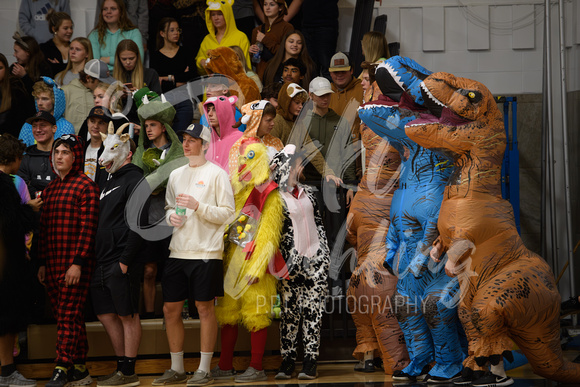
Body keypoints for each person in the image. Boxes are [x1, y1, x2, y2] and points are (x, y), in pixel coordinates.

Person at [154, 123, 235, 387]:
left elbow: (228, 214)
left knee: (204, 308)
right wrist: (171, 217)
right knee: (170, 309)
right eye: (184, 139)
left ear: (204, 144)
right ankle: (177, 368)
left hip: (206, 251)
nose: (186, 144)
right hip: (178, 250)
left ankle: (203, 369)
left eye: (192, 140)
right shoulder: (176, 174)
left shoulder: (217, 174)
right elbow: (168, 207)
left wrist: (199, 207)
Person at [345, 65, 409, 374]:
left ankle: (372, 353)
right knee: (380, 290)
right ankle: (393, 359)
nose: (362, 84)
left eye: (366, 81)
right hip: (380, 211)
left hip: (367, 211)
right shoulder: (397, 121)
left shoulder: (372, 118)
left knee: (362, 289)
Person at [38, 133, 99, 387]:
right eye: (56, 152)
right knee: (68, 318)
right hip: (51, 263)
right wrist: (41, 263)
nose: (59, 156)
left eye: (65, 152)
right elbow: (43, 229)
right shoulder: (50, 189)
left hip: (75, 265)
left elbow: (89, 229)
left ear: (76, 157)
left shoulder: (86, 185)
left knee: (67, 314)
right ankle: (81, 369)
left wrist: (78, 262)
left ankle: (62, 367)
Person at [270, 145, 330, 380]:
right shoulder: (274, 198)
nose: (301, 167)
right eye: (297, 163)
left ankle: (310, 361)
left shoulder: (310, 192)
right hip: (289, 266)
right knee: (289, 313)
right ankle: (287, 361)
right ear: (288, 167)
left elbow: (319, 223)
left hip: (316, 261)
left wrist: (323, 253)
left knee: (313, 312)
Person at [90, 127, 144, 387]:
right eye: (102, 151)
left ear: (128, 153)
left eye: (111, 151)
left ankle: (129, 371)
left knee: (127, 315)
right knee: (105, 314)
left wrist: (125, 261)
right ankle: (120, 366)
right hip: (101, 259)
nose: (102, 159)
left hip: (122, 260)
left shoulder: (136, 180)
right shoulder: (106, 179)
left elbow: (138, 224)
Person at [132, 98, 186, 321]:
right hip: (149, 220)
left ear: (164, 126)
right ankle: (148, 316)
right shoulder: (141, 153)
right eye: (145, 126)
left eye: (152, 125)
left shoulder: (178, 152)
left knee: (174, 269)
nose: (148, 130)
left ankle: (176, 312)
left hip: (172, 221)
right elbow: (134, 181)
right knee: (148, 270)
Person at [0, 134, 36, 387]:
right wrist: (31, 209)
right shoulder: (5, 185)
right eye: (20, 158)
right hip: (6, 264)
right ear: (13, 158)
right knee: (7, 319)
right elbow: (10, 224)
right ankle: (7, 372)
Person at [196, 0, 251, 75]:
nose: (216, 18)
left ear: (227, 14)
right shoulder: (207, 39)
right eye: (213, 15)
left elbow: (246, 67)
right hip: (212, 84)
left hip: (235, 84)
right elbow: (200, 71)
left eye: (220, 14)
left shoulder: (241, 37)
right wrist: (201, 61)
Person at [228, 100, 282, 175]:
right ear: (256, 121)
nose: (273, 123)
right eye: (268, 120)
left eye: (273, 119)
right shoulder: (239, 146)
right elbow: (236, 179)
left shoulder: (276, 142)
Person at [18, 77, 75, 147]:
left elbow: (65, 154)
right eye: (37, 98)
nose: (39, 103)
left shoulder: (65, 127)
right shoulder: (28, 125)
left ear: (55, 101)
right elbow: (21, 154)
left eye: (44, 99)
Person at [89, 0, 144, 71]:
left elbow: (139, 61)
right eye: (105, 9)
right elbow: (95, 65)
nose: (108, 11)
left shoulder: (134, 32)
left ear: (121, 12)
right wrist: (122, 62)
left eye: (113, 9)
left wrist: (109, 59)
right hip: (103, 78)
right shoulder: (94, 35)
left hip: (128, 76)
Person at [150, 17, 197, 93]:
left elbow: (193, 75)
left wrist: (168, 78)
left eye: (178, 30)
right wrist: (178, 82)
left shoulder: (186, 51)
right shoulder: (156, 56)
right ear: (162, 33)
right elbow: (156, 82)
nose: (176, 33)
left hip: (185, 95)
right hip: (165, 96)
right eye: (172, 30)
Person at [249, 0, 293, 76]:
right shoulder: (256, 30)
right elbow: (255, 62)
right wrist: (251, 52)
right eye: (265, 4)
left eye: (272, 5)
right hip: (261, 76)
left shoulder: (287, 28)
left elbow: (286, 54)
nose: (267, 8)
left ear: (280, 8)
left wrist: (265, 40)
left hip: (279, 75)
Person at [202, 95, 242, 172]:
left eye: (215, 109)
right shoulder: (207, 140)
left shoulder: (241, 139)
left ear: (226, 111)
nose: (209, 114)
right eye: (208, 110)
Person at [301, 0, 338, 80]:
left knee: (327, 66)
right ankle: (311, 91)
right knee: (310, 67)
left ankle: (331, 91)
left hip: (325, 26)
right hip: (306, 24)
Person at [0, 53, 35, 137]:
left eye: (0, 68)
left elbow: (22, 119)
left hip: (11, 141)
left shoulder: (16, 90)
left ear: (6, 69)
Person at [82, 107, 112, 190]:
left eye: (101, 123)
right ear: (87, 123)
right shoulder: (80, 148)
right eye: (92, 121)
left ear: (108, 126)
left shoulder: (111, 152)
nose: (95, 126)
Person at [328, 52, 363, 117]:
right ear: (330, 73)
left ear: (351, 70)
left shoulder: (363, 89)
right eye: (336, 72)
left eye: (343, 71)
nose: (340, 75)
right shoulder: (325, 92)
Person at [39, 11, 73, 76]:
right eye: (65, 28)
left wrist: (58, 66)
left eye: (71, 28)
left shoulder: (75, 48)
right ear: (54, 29)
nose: (70, 31)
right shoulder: (44, 49)